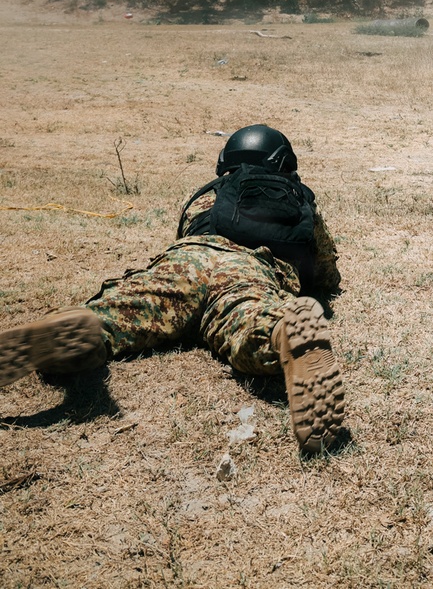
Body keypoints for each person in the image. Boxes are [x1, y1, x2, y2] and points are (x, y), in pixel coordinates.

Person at [0, 124, 345, 453]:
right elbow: (325, 272)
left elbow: (186, 234)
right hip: (251, 267)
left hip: (187, 260)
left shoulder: (206, 196)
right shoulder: (298, 200)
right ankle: (283, 331)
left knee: (129, 307)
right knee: (246, 318)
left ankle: (81, 326)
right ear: (284, 162)